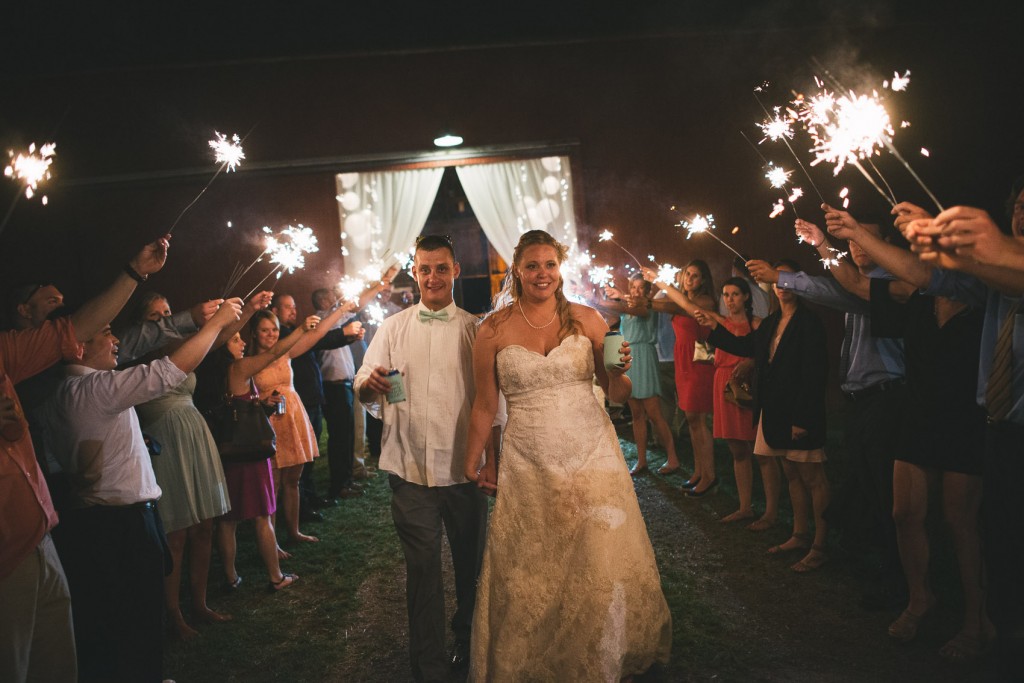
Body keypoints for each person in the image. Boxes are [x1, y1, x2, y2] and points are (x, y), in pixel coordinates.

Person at [464, 230, 671, 681]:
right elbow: (483, 404)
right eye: (532, 265)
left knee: (596, 558)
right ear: (517, 270)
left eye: (550, 265)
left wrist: (621, 373)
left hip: (592, 455)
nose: (542, 274)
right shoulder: (492, 330)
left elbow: (616, 394)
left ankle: (601, 652)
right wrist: (474, 461)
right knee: (532, 564)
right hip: (528, 462)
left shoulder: (591, 321)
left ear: (561, 268)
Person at [814, 208, 991, 661]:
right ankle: (920, 598)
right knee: (903, 513)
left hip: (962, 419)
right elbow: (856, 285)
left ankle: (976, 621)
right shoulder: (915, 296)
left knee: (960, 522)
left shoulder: (979, 292)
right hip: (918, 413)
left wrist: (856, 231)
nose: (916, 253)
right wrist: (827, 243)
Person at [42, 290, 242, 683]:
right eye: (106, 333)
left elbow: (56, 459)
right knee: (137, 616)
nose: (117, 340)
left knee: (111, 621)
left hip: (92, 521)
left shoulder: (56, 396)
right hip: (123, 524)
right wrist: (217, 324)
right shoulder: (95, 388)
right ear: (78, 346)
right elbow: (168, 371)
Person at [1, 236, 173, 683]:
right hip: (8, 551)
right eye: (40, 291)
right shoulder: (73, 385)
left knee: (62, 661)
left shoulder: (8, 354)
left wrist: (135, 272)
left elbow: (73, 332)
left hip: (42, 530)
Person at [355, 235, 499, 682]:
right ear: (414, 273)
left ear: (456, 271)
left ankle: (468, 642)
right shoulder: (393, 328)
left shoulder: (478, 329)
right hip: (409, 471)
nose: (432, 276)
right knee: (422, 573)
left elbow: (495, 404)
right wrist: (369, 384)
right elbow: (362, 382)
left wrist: (490, 462)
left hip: (464, 471)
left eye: (441, 268)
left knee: (471, 566)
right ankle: (430, 667)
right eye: (424, 268)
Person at [748, 213, 907, 604]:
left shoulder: (886, 286)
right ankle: (880, 566)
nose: (856, 245)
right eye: (851, 240)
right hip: (861, 402)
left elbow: (834, 291)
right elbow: (837, 287)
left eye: (865, 238)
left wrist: (786, 273)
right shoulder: (857, 286)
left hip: (886, 398)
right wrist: (822, 243)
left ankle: (901, 580)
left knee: (889, 495)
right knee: (869, 488)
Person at [133, 290, 271, 639]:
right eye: (156, 317)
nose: (165, 321)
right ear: (142, 324)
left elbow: (217, 337)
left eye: (168, 313)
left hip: (196, 437)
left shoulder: (184, 348)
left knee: (204, 527)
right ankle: (174, 613)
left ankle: (200, 602)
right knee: (176, 534)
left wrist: (249, 309)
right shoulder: (139, 358)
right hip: (167, 441)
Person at [696, 260, 830, 573]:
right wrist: (711, 326)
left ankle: (821, 544)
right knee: (791, 473)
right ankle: (799, 534)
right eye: (777, 280)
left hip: (799, 410)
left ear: (800, 283)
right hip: (775, 409)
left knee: (812, 476)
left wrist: (803, 417)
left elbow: (814, 372)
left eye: (788, 279)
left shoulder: (808, 322)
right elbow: (743, 344)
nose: (782, 286)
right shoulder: (771, 323)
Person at [195, 313, 320, 594]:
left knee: (228, 520)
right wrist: (300, 327)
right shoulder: (237, 369)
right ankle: (276, 577)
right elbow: (276, 351)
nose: (242, 343)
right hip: (248, 452)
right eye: (236, 339)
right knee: (263, 514)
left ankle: (230, 577)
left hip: (226, 450)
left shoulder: (211, 373)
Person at [651, 270, 775, 527]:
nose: (730, 300)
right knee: (737, 450)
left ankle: (771, 511)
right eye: (726, 295)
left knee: (762, 451)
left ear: (745, 298)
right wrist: (658, 280)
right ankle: (744, 507)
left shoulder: (758, 324)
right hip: (725, 385)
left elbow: (768, 351)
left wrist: (751, 361)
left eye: (735, 295)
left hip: (750, 387)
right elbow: (687, 305)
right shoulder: (720, 323)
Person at [250, 299, 358, 545]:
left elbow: (318, 334)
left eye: (274, 329)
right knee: (273, 484)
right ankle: (272, 541)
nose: (270, 334)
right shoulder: (249, 361)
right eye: (265, 330)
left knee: (293, 480)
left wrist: (341, 310)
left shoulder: (285, 352)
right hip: (269, 423)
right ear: (254, 333)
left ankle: (294, 531)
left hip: (292, 417)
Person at [598, 274, 681, 475]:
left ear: (647, 291)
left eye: (640, 288)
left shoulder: (647, 308)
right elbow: (615, 314)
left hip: (645, 356)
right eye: (633, 287)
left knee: (654, 413)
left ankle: (673, 458)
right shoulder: (627, 311)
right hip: (630, 356)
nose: (636, 291)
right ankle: (642, 460)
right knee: (636, 413)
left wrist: (619, 296)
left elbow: (630, 308)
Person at [649, 260, 717, 495]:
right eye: (687, 273)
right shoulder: (678, 298)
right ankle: (699, 471)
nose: (689, 278)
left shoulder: (704, 301)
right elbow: (664, 304)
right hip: (683, 361)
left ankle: (709, 474)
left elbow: (680, 306)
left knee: (699, 419)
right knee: (691, 418)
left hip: (699, 361)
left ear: (703, 280)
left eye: (695, 276)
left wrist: (658, 283)